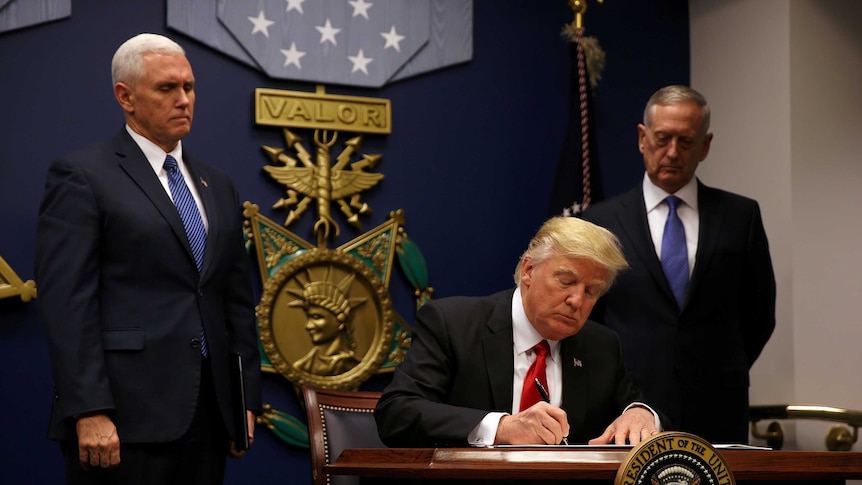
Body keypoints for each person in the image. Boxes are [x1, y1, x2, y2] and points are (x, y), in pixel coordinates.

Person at [35, 33, 261, 484]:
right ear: (126, 97)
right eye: (166, 89)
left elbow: (234, 300)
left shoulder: (218, 184)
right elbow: (68, 304)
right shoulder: (83, 175)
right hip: (122, 420)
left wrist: (242, 401)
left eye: (189, 87)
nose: (184, 100)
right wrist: (89, 409)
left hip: (208, 418)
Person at [581, 85, 776, 444]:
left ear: (705, 145)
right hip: (629, 406)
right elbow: (591, 318)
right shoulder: (600, 221)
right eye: (662, 138)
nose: (672, 152)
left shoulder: (740, 216)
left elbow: (759, 313)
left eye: (686, 141)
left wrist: (717, 366)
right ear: (642, 138)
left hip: (718, 404)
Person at [375, 216, 669, 448]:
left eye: (592, 291)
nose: (577, 301)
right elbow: (397, 413)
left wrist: (641, 413)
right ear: (529, 270)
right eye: (566, 281)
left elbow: (637, 406)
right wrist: (501, 428)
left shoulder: (601, 345)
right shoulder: (452, 324)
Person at [289, 271, 365, 376]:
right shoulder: (302, 366)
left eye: (316, 317)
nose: (308, 325)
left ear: (340, 321)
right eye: (309, 317)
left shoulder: (353, 366)